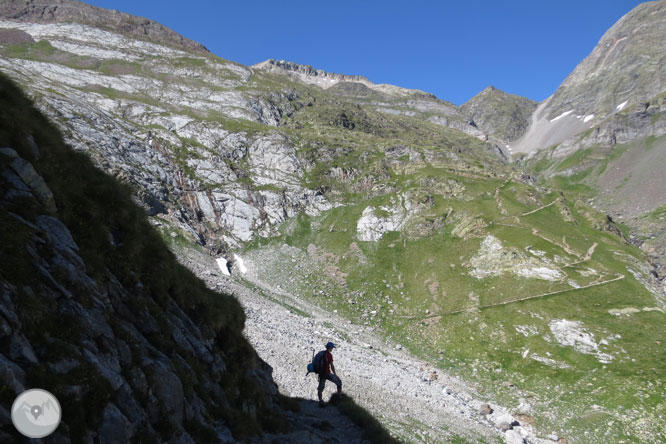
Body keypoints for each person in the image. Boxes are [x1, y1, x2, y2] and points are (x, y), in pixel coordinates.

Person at [318, 341, 342, 406]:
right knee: (339, 382)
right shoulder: (329, 355)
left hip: (321, 374)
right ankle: (339, 398)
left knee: (320, 388)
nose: (332, 349)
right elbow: (331, 365)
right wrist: (335, 374)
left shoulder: (321, 353)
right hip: (327, 373)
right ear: (330, 347)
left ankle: (320, 401)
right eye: (332, 348)